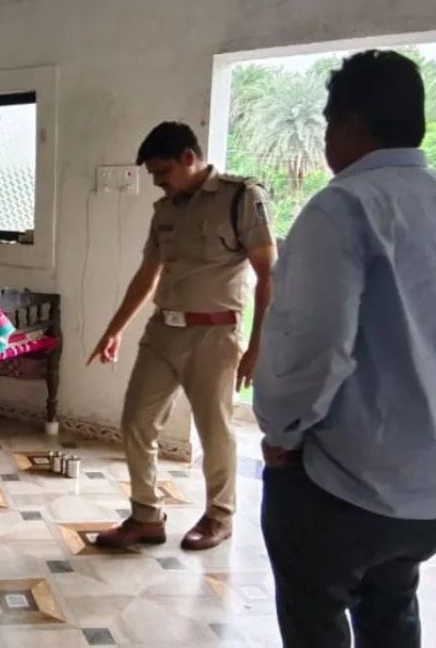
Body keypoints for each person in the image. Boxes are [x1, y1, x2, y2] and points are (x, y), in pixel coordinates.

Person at [254, 50, 436, 648]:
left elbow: (315, 347)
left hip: (340, 483)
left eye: (328, 125)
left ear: (349, 124)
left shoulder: (345, 205)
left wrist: (282, 432)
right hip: (429, 487)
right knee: (391, 615)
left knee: (315, 622)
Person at [87, 121, 275, 551]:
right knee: (135, 422)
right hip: (162, 333)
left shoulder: (242, 197)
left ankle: (219, 516)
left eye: (163, 172)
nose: (159, 182)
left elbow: (269, 274)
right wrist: (114, 330)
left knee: (214, 430)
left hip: (214, 335)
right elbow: (147, 275)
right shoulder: (164, 211)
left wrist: (257, 345)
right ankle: (145, 517)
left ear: (189, 158)